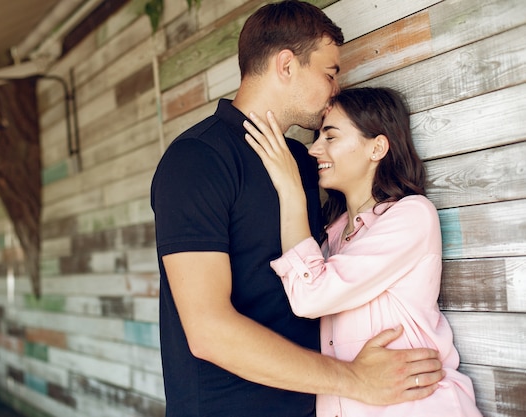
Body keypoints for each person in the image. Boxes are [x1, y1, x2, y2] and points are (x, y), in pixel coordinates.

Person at [151, 2, 443, 416]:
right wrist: (355, 378)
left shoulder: (303, 164)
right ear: (286, 65)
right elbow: (208, 331)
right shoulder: (198, 159)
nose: (334, 89)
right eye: (329, 73)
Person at [244, 86, 482, 416]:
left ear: (377, 147)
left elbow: (310, 296)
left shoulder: (411, 216)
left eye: (330, 137)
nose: (314, 150)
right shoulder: (332, 236)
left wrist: (290, 188)